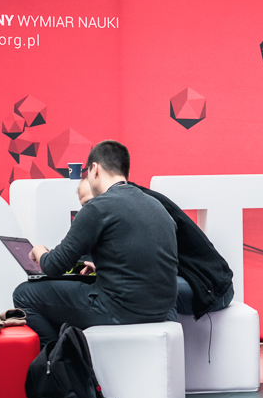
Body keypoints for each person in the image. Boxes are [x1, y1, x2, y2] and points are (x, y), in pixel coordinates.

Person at [13, 140, 179, 345]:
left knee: (24, 294)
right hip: (163, 311)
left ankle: (56, 357)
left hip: (120, 310)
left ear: (95, 169)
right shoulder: (157, 206)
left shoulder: (97, 207)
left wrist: (39, 251)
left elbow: (54, 266)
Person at [78, 174, 234, 318]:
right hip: (182, 279)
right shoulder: (124, 205)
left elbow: (144, 265)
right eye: (84, 206)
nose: (88, 210)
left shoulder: (139, 207)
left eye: (91, 202)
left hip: (209, 286)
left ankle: (166, 337)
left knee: (140, 290)